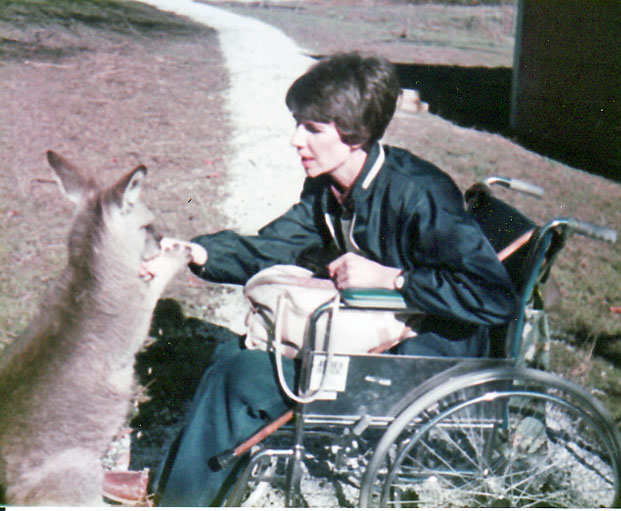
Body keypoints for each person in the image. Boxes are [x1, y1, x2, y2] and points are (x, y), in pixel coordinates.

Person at [153, 52, 516, 506]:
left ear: (354, 133)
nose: (294, 140)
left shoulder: (419, 193)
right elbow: (277, 245)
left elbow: (494, 297)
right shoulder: (329, 188)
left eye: (312, 128)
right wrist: (195, 251)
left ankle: (179, 500)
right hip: (367, 336)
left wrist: (395, 278)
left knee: (243, 376)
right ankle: (179, 487)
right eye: (297, 124)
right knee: (232, 350)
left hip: (421, 355)